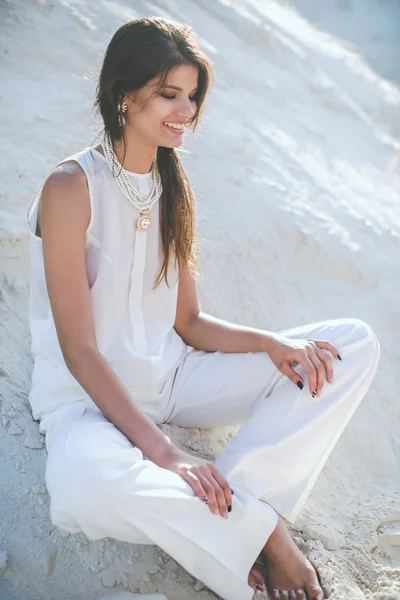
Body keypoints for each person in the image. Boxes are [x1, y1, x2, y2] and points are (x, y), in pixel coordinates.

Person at [26, 16, 381, 600]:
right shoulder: (69, 187)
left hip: (174, 377)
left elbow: (187, 322)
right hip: (86, 402)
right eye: (169, 94)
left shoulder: (172, 184)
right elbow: (79, 350)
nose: (185, 110)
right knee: (79, 489)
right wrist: (168, 456)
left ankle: (235, 506)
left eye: (191, 96)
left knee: (348, 345)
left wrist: (272, 343)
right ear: (123, 94)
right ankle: (261, 531)